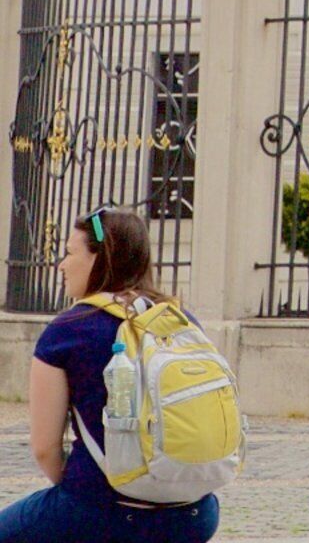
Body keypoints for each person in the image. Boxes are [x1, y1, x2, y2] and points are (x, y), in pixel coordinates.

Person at [11, 209, 217, 543]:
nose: (61, 265)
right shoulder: (181, 320)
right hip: (194, 513)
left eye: (69, 253)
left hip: (104, 510)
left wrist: (85, 489)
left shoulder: (67, 332)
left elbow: (45, 448)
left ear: (99, 259)